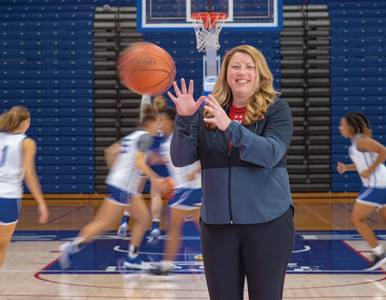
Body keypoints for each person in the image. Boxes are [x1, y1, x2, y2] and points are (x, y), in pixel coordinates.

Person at [168, 45, 294, 300]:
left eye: (249, 67)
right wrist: (182, 118)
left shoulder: (276, 110)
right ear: (225, 73)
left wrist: (230, 126)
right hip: (217, 227)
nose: (242, 72)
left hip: (267, 223)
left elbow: (270, 154)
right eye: (235, 66)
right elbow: (181, 159)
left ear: (260, 74)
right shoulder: (206, 114)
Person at [59, 105, 167, 270]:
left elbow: (110, 151)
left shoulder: (131, 136)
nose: (159, 125)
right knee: (104, 223)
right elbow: (139, 162)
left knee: (143, 219)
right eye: (158, 121)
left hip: (122, 185)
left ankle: (132, 258)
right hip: (123, 186)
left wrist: (117, 171)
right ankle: (72, 247)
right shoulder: (146, 138)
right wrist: (157, 179)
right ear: (150, 122)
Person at [151, 107, 202, 275]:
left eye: (161, 120)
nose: (159, 124)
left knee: (174, 228)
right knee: (205, 228)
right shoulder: (169, 141)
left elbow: (203, 152)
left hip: (186, 190)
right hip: (193, 189)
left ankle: (166, 265)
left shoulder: (179, 138)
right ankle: (230, 259)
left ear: (171, 122)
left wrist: (196, 169)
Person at [0, 106, 49, 268]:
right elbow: (29, 174)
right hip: (8, 196)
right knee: (1, 246)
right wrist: (41, 202)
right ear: (26, 122)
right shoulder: (27, 142)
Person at [337, 111, 386, 271]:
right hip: (380, 182)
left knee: (356, 219)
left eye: (342, 125)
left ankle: (379, 253)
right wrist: (346, 168)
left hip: (376, 184)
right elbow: (362, 165)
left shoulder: (361, 141)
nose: (340, 127)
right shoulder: (355, 142)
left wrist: (370, 171)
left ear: (351, 127)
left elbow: (383, 151)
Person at [117, 94, 168, 245]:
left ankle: (125, 221)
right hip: (159, 158)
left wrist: (146, 90)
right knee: (156, 194)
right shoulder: (167, 120)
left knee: (134, 192)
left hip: (145, 156)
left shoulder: (148, 118)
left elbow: (144, 100)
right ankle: (155, 226)